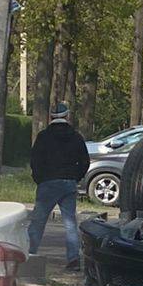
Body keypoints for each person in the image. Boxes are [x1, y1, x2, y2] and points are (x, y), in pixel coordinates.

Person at [28, 101, 91, 271]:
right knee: (70, 222)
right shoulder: (76, 137)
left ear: (51, 117)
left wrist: (39, 178)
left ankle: (29, 254)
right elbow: (85, 161)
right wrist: (75, 177)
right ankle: (73, 259)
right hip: (68, 183)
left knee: (38, 221)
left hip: (47, 182)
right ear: (67, 116)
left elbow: (35, 160)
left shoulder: (43, 136)